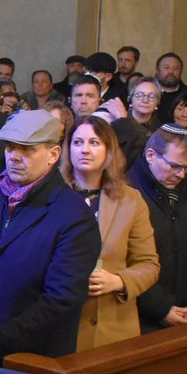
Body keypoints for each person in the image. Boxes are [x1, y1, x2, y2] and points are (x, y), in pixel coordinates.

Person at [0, 110, 101, 364]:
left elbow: (61, 299)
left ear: (53, 155)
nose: (14, 157)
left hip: (31, 359)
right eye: (10, 148)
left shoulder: (74, 215)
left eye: (27, 150)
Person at [60, 116, 159, 351]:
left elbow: (149, 264)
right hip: (60, 324)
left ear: (108, 150)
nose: (85, 150)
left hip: (110, 326)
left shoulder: (131, 200)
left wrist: (118, 281)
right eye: (77, 142)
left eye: (94, 143)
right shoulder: (50, 196)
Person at [128, 125, 187, 331]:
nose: (181, 175)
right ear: (151, 155)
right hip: (138, 317)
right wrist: (162, 308)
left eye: (186, 168)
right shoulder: (126, 193)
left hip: (183, 311)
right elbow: (124, 262)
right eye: (174, 166)